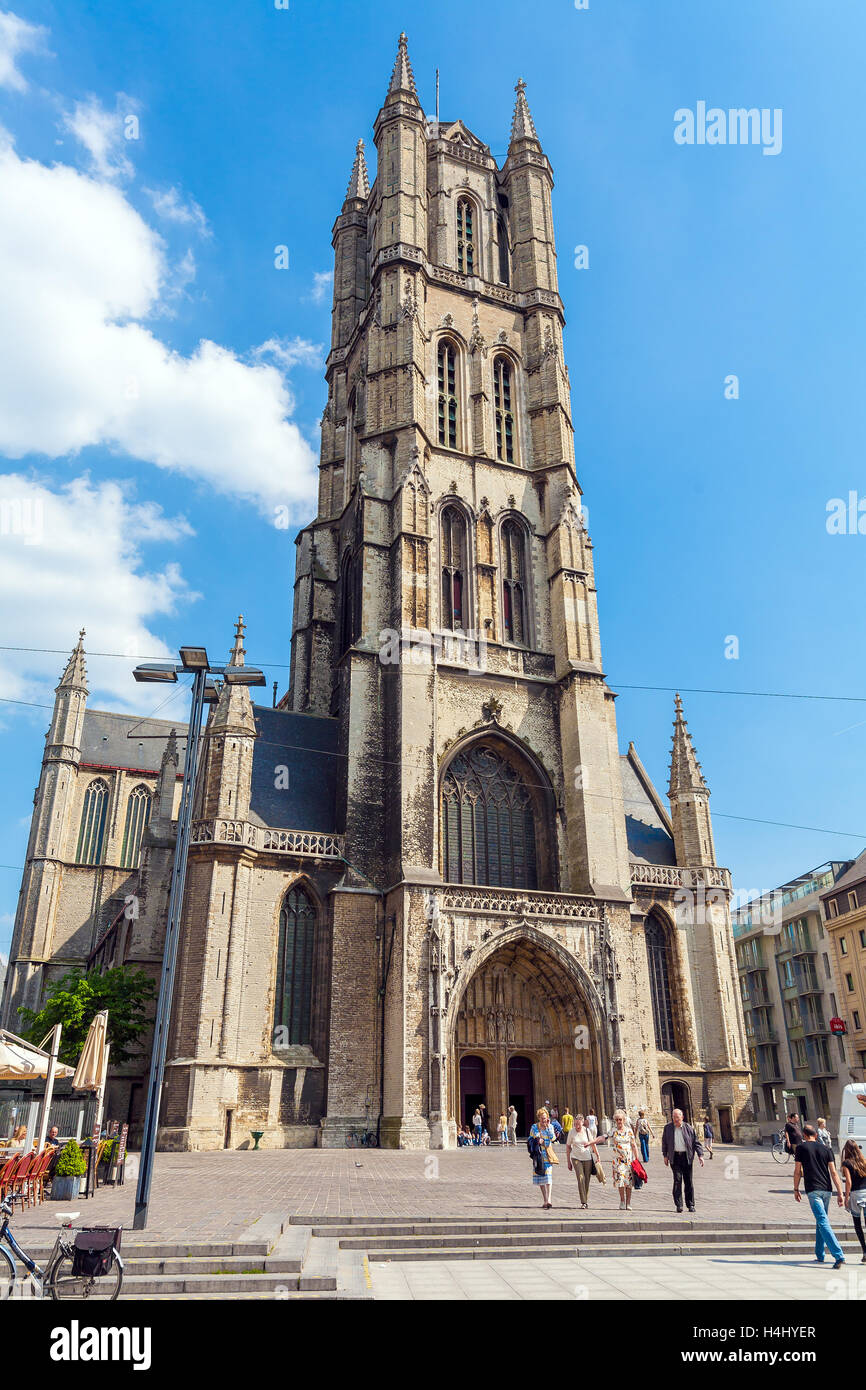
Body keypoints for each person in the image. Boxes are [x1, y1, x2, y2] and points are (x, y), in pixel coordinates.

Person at [793, 1123, 845, 1269]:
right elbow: (834, 1173)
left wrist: (796, 1189)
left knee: (822, 1221)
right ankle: (820, 1254)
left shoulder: (801, 1148)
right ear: (815, 1135)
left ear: (804, 1135)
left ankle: (838, 1255)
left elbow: (797, 1171)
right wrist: (840, 1192)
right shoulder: (827, 1149)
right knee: (821, 1220)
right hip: (827, 1189)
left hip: (813, 1189)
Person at [661, 1108, 705, 1213]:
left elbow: (696, 1143)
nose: (676, 1119)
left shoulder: (689, 1128)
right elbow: (664, 1142)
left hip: (687, 1157)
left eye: (678, 1117)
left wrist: (701, 1155)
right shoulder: (668, 1128)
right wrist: (665, 1155)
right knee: (677, 1180)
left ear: (682, 1117)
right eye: (674, 1117)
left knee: (688, 1182)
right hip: (675, 1157)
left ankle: (690, 1205)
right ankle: (679, 1205)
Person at [607, 1107, 641, 1212]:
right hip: (618, 1161)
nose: (618, 1122)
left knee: (629, 1182)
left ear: (624, 1120)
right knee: (620, 1181)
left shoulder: (629, 1131)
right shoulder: (613, 1131)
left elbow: (634, 1145)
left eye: (620, 1119)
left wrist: (637, 1159)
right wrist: (591, 1142)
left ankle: (628, 1203)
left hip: (629, 1160)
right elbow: (604, 1137)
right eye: (617, 1120)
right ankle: (622, 1201)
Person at [566, 1112, 601, 1209]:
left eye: (578, 1124)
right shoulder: (571, 1132)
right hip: (576, 1157)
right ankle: (584, 1202)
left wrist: (597, 1155)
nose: (577, 1126)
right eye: (575, 1124)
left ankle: (585, 1199)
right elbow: (568, 1147)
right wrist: (568, 1161)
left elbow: (592, 1143)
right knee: (581, 1178)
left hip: (587, 1158)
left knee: (587, 1180)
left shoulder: (587, 1131)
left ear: (583, 1123)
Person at [840, 1139, 866, 1263]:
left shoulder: (846, 1163)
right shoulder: (864, 1161)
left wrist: (846, 1198)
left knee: (857, 1224)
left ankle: (865, 1251)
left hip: (856, 1195)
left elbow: (848, 1182)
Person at [528, 1107, 557, 1210]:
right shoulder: (534, 1127)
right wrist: (536, 1140)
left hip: (547, 1155)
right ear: (538, 1118)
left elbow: (553, 1138)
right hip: (538, 1155)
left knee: (548, 1177)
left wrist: (548, 1127)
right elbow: (530, 1139)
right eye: (541, 1118)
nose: (543, 1120)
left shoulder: (550, 1126)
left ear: (547, 1118)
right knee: (541, 1178)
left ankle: (549, 1199)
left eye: (544, 1118)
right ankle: (545, 1200)